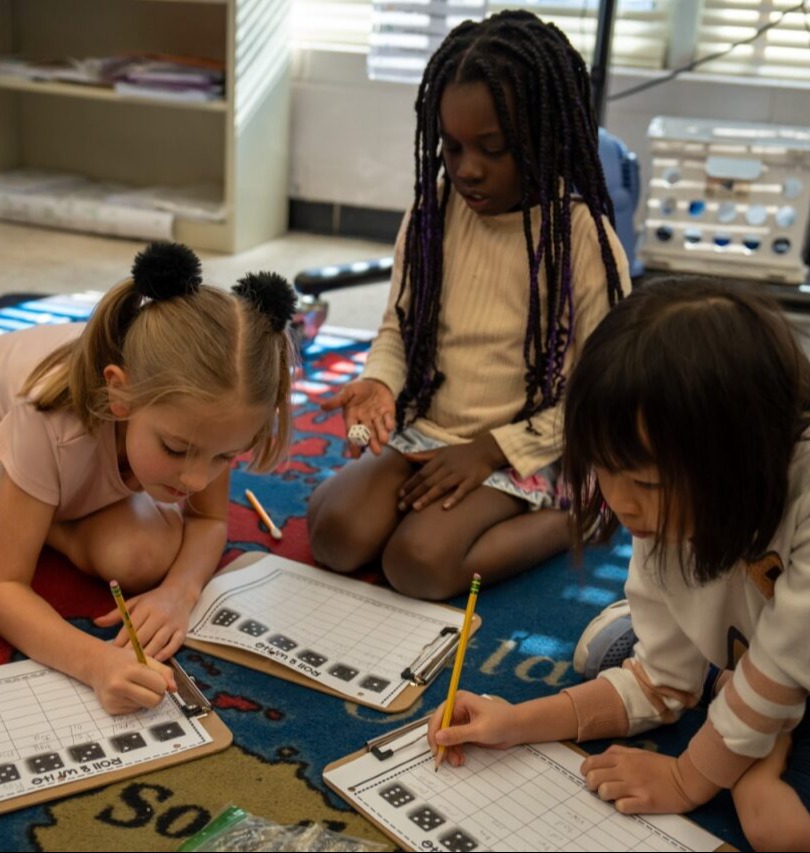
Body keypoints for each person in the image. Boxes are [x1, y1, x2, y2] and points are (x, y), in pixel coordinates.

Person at [426, 275, 810, 852]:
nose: (622, 504)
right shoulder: (668, 494)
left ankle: (731, 682)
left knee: (782, 831)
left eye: (646, 482)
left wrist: (689, 775)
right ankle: (726, 676)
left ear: (740, 455)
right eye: (605, 469)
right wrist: (515, 722)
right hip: (777, 653)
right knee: (717, 695)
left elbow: (782, 671)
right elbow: (661, 687)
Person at [308, 9, 630, 600]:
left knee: (419, 563)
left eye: (493, 148)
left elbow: (597, 392)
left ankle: (574, 518)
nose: (466, 169)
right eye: (451, 147)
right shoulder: (432, 213)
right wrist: (379, 383)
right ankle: (408, 501)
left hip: (527, 447)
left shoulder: (582, 239)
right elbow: (398, 330)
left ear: (547, 138)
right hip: (429, 427)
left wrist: (488, 452)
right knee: (334, 535)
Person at [0, 241, 297, 714]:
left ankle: (43, 517)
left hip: (60, 464)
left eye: (225, 456)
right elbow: (5, 587)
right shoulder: (47, 420)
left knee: (141, 558)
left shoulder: (210, 411)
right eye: (176, 449)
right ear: (120, 394)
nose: (198, 478)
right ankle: (33, 511)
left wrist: (180, 592)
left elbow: (207, 521)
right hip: (16, 431)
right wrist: (98, 664)